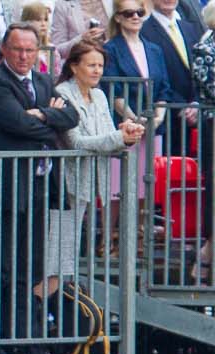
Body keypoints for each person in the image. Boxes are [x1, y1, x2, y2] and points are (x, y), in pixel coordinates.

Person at [0, 23, 78, 354]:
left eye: (30, 50)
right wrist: (49, 120)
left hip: (37, 187)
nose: (23, 57)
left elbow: (72, 115)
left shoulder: (44, 81)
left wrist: (43, 115)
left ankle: (27, 342)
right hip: (6, 188)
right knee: (1, 267)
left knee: (31, 269)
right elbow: (17, 124)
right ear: (4, 50)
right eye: (17, 50)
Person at [53, 36, 145, 307]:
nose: (97, 71)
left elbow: (106, 132)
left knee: (77, 247)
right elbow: (76, 142)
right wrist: (120, 139)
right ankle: (57, 304)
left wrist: (123, 132)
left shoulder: (100, 94)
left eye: (100, 66)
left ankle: (71, 305)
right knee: (62, 250)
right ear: (73, 66)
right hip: (67, 180)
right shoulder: (63, 93)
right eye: (91, 65)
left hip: (93, 178)